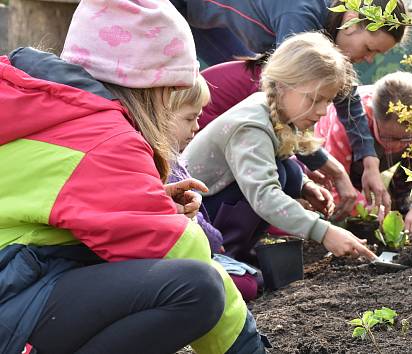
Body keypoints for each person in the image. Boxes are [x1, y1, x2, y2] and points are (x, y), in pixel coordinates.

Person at [0, 1, 265, 353]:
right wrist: (247, 347)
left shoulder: (37, 99)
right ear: (154, 89)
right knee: (197, 287)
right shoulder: (105, 138)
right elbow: (179, 251)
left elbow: (38, 195)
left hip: (14, 280)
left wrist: (144, 200)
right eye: (172, 91)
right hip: (13, 296)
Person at [171, 0, 410, 216]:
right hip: (179, 7)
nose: (369, 59)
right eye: (369, 49)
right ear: (350, 23)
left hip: (209, 22)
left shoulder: (326, 26)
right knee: (255, 92)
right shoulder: (301, 17)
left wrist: (370, 162)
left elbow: (347, 95)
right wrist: (332, 170)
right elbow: (285, 108)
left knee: (283, 162)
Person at [183, 32, 376, 265]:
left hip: (213, 205)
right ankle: (223, 255)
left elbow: (278, 169)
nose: (323, 111)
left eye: (328, 100)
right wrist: (324, 232)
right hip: (194, 217)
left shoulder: (278, 114)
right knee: (249, 285)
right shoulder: (251, 126)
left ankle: (239, 250)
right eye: (315, 99)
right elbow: (264, 196)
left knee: (289, 172)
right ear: (284, 86)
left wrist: (305, 186)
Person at [315, 72, 412, 232]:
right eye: (391, 138)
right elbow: (335, 180)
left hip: (382, 160)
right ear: (373, 117)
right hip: (344, 161)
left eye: (407, 137)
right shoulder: (345, 121)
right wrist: (369, 210)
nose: (398, 145)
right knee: (344, 202)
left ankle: (400, 202)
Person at [168, 74, 261, 301]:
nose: (197, 127)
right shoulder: (166, 166)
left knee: (254, 279)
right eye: (190, 119)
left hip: (195, 248)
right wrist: (216, 240)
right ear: (162, 114)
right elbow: (193, 219)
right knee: (248, 284)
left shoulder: (175, 158)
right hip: (179, 256)